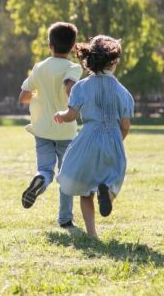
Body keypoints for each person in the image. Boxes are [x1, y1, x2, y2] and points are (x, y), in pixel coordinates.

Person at [54, 36, 134, 238]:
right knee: (112, 180)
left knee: (84, 189)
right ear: (114, 61)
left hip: (88, 138)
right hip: (113, 138)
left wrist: (60, 116)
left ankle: (92, 234)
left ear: (88, 60)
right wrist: (117, 140)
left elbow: (71, 115)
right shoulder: (123, 92)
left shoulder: (80, 87)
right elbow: (125, 125)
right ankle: (106, 193)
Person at [18, 22, 83, 228]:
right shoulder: (73, 67)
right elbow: (69, 87)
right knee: (66, 176)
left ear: (50, 45)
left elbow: (23, 97)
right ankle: (65, 219)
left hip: (42, 129)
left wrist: (39, 95)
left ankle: (40, 180)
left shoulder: (39, 67)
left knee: (45, 169)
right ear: (73, 47)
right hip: (65, 129)